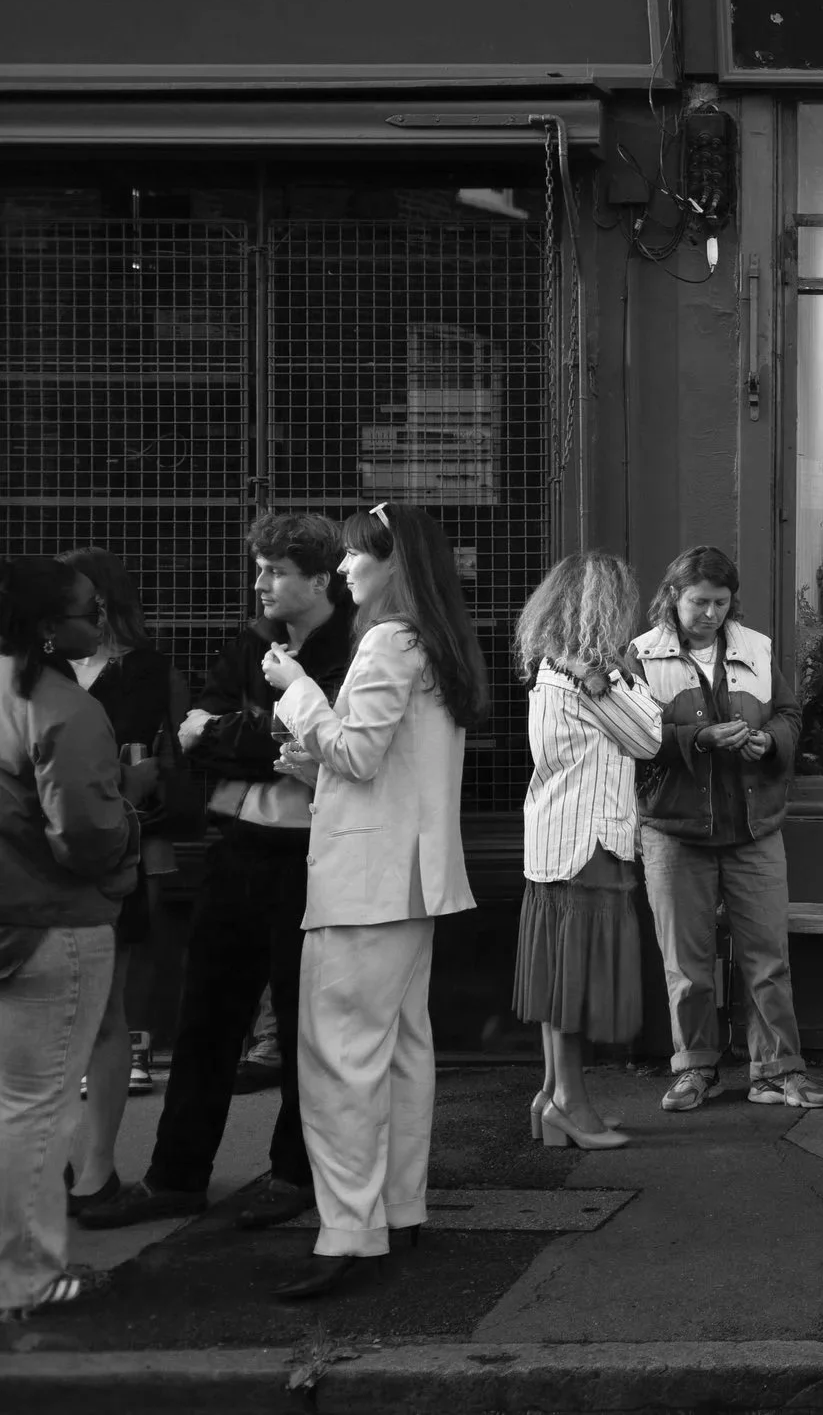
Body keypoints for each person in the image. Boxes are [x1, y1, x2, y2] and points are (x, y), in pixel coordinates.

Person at [81, 514, 355, 1236]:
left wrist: (237, 731)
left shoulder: (356, 646)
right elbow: (194, 739)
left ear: (319, 580)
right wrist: (262, 733)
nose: (260, 583)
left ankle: (294, 1173)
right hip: (235, 846)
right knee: (205, 1018)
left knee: (304, 1025)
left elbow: (318, 742)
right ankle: (176, 1177)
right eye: (259, 568)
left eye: (275, 571)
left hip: (311, 855)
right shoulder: (249, 642)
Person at [261, 500, 488, 1300]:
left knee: (340, 1062)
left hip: (364, 884)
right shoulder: (432, 642)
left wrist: (296, 689)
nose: (345, 566)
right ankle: (398, 1208)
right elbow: (387, 762)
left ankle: (351, 1234)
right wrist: (314, 760)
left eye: (358, 553)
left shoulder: (389, 640)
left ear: (394, 563)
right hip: (411, 880)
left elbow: (357, 754)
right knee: (399, 1054)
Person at [632, 545, 823, 1113]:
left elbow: (789, 714)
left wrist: (772, 742)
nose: (711, 614)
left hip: (753, 827)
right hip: (675, 831)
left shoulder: (756, 647)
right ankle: (695, 1068)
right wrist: (697, 739)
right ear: (674, 596)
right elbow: (633, 737)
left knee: (768, 959)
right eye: (700, 602)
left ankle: (777, 1072)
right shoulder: (642, 656)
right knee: (686, 963)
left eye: (721, 603)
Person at [0, 558, 140, 1319]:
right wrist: (131, 813)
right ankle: (25, 1280)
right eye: (90, 610)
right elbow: (85, 836)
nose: (102, 620)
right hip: (53, 925)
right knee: (36, 1107)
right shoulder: (64, 708)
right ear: (51, 629)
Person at [55, 548, 188, 1216]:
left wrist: (147, 781)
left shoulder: (148, 670)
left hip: (119, 846)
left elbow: (173, 756)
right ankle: (56, 1166)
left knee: (105, 1010)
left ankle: (96, 1168)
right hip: (46, 856)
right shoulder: (35, 670)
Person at [515, 553, 663, 1150]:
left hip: (555, 839)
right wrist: (620, 675)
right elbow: (648, 737)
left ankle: (554, 1095)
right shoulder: (587, 677)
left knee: (558, 978)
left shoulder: (551, 669)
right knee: (573, 982)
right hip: (588, 844)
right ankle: (571, 1106)